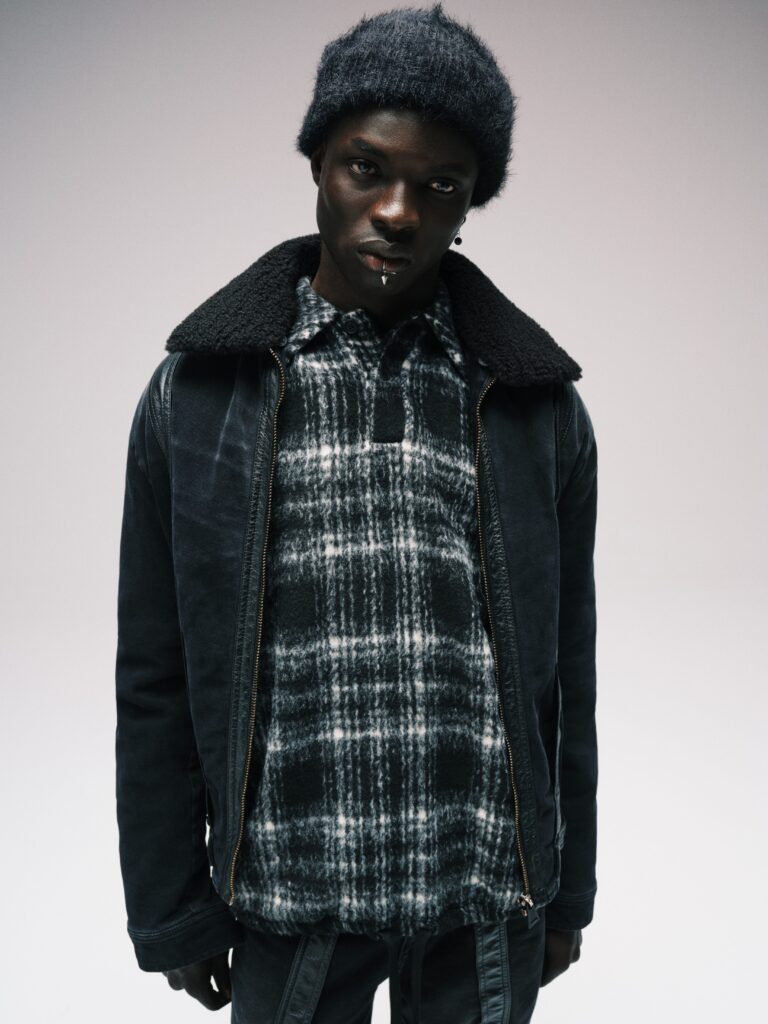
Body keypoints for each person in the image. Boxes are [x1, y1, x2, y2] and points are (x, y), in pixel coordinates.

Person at [114, 4, 598, 1022]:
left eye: (441, 185)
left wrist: (567, 889)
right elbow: (156, 674)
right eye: (366, 168)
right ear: (318, 162)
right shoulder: (199, 397)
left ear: (472, 201)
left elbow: (566, 674)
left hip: (479, 897)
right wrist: (171, 906)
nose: (398, 211)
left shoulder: (534, 406)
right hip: (292, 896)